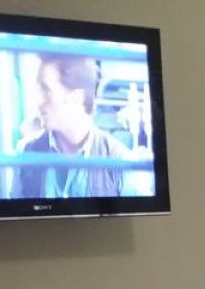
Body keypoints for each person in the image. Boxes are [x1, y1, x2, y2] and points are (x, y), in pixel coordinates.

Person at [10, 55, 130, 199]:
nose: (38, 100)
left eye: (46, 90)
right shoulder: (26, 152)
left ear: (77, 97)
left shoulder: (120, 162)